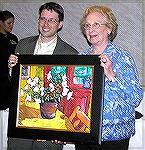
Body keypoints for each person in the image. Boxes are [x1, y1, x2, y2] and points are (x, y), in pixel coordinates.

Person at [8, 2, 78, 150]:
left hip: (51, 131)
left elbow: (71, 96)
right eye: (43, 18)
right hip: (21, 124)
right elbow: (15, 83)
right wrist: (11, 70)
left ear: (60, 24)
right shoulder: (23, 45)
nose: (46, 24)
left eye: (52, 20)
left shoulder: (71, 54)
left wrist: (65, 132)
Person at [75, 5, 144, 150]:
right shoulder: (81, 58)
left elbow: (136, 97)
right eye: (87, 25)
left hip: (114, 137)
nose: (90, 29)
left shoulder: (122, 57)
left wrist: (111, 75)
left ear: (109, 28)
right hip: (83, 133)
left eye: (96, 25)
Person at [0, 10, 18, 150]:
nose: (11, 25)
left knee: (7, 110)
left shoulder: (14, 38)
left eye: (13, 23)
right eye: (8, 23)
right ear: (1, 22)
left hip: (10, 77)